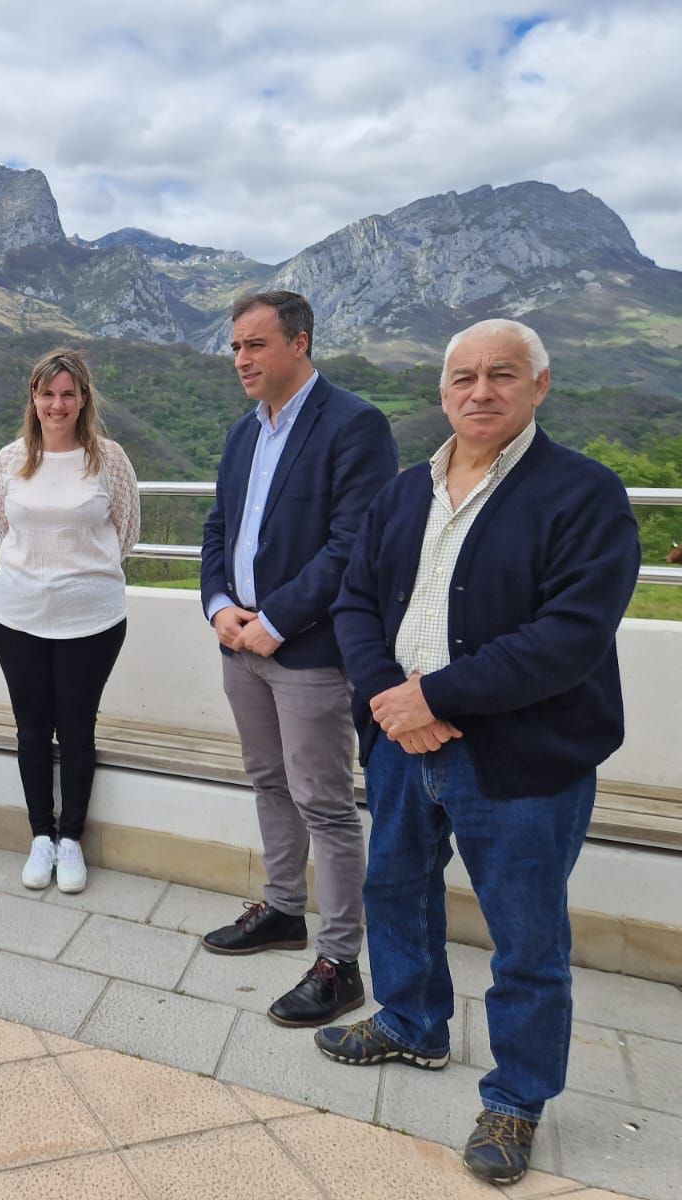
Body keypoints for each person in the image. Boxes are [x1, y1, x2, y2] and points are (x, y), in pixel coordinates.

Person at [318, 319, 641, 1185]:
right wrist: (396, 700)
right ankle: (412, 1024)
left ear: (540, 385)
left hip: (523, 759)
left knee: (525, 936)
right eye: (463, 377)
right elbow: (355, 603)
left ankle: (516, 1099)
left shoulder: (584, 494)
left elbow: (568, 638)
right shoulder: (402, 491)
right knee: (394, 888)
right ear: (442, 392)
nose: (480, 391)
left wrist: (437, 695)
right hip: (398, 741)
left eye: (503, 375)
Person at [199, 291, 398, 1026]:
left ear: (300, 342)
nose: (242, 360)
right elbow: (218, 527)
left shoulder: (355, 425)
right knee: (267, 780)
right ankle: (284, 910)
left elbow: (353, 545)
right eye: (236, 348)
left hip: (307, 648)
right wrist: (221, 606)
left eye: (255, 345)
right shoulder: (242, 433)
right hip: (239, 640)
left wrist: (276, 621)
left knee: (324, 801)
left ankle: (341, 961)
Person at [0, 349, 139, 894]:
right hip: (17, 616)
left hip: (92, 621)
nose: (58, 404)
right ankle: (40, 836)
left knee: (77, 729)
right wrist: (40, 576)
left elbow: (126, 533)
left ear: (83, 399)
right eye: (48, 393)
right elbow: (3, 529)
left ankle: (71, 838)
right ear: (33, 398)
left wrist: (77, 578)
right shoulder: (9, 460)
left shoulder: (109, 459)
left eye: (68, 394)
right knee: (31, 728)